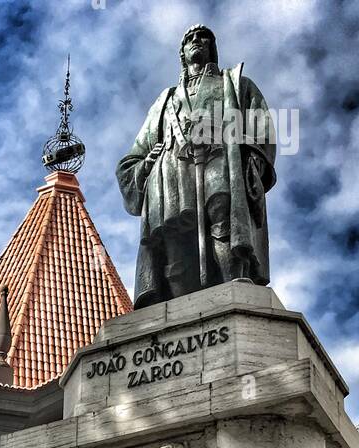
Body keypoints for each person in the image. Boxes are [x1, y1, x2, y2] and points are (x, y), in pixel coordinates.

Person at [116, 25, 276, 307]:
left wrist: (253, 158)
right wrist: (146, 165)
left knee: (222, 212)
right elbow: (133, 157)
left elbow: (261, 128)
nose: (196, 41)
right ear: (182, 52)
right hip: (171, 171)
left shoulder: (235, 83)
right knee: (174, 239)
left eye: (203, 38)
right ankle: (180, 308)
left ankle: (233, 287)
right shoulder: (164, 100)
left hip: (220, 158)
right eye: (189, 38)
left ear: (212, 48)